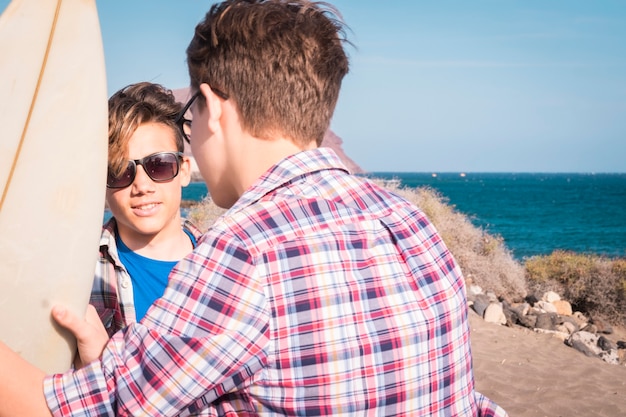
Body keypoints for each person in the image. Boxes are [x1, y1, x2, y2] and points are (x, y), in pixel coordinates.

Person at [0, 1, 508, 415]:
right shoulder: (412, 224)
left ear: (213, 109)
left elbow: (67, 408)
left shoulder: (244, 253)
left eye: (188, 116)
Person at [94, 82, 202, 338]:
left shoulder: (226, 265)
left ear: (184, 170)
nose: (141, 186)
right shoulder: (80, 271)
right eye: (120, 171)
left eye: (159, 165)